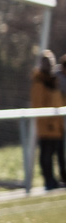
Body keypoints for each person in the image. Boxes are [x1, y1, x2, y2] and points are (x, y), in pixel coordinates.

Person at [33, 49, 64, 190]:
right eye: (46, 62)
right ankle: (49, 180)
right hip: (47, 126)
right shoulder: (39, 82)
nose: (49, 65)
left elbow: (58, 101)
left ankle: (58, 179)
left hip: (57, 125)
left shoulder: (54, 81)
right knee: (46, 155)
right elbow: (39, 105)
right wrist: (49, 122)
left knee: (58, 154)